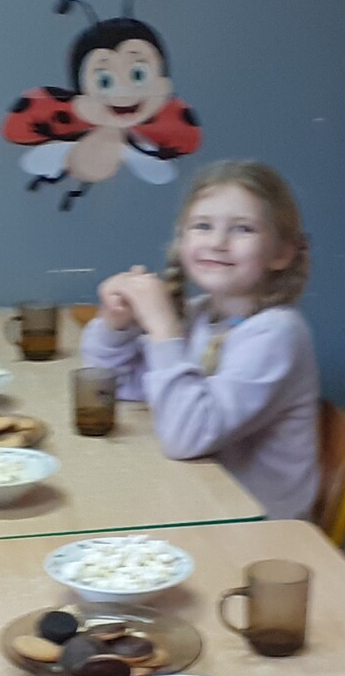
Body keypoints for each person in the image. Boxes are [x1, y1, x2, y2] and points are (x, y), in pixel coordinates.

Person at [79, 159, 319, 520]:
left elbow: (186, 437)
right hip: (195, 501)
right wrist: (116, 326)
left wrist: (163, 329)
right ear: (182, 240)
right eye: (203, 226)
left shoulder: (277, 335)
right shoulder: (200, 314)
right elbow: (117, 389)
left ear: (282, 253)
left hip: (257, 528)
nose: (218, 243)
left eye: (242, 229)